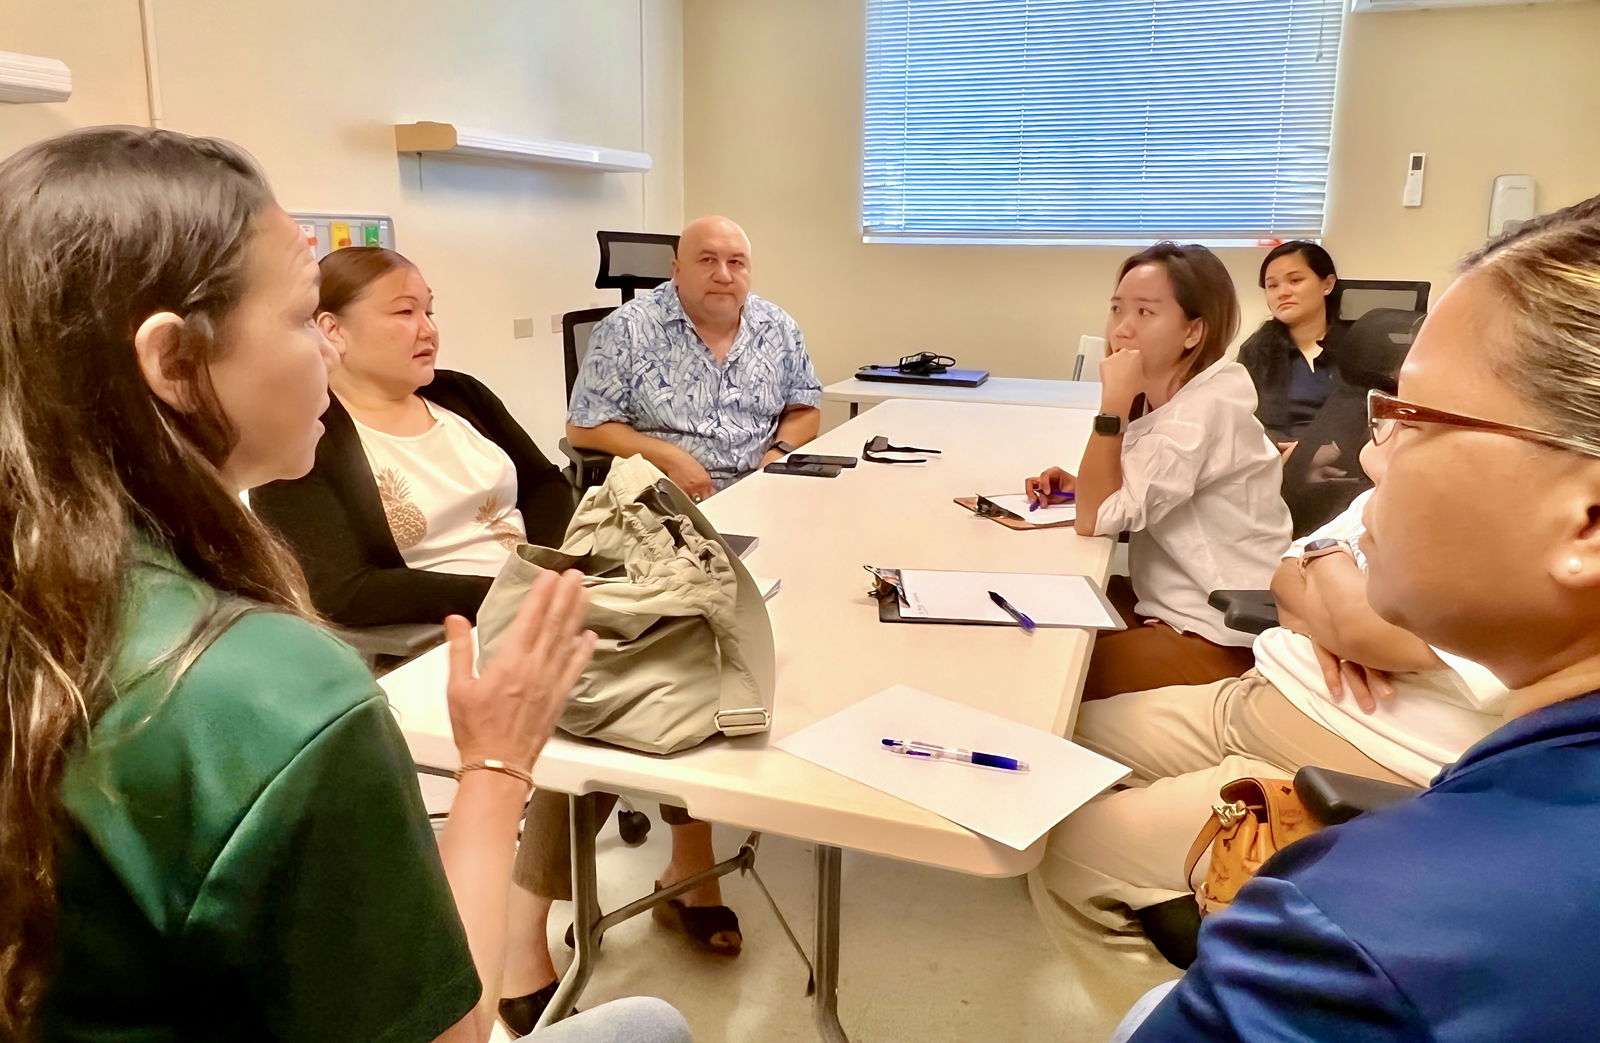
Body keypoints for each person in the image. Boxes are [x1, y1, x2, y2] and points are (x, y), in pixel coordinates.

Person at [1, 125, 688, 1043]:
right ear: (173, 362)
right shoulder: (272, 692)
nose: (323, 352)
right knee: (652, 1024)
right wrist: (495, 764)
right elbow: (450, 1030)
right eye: (300, 319)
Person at [1124, 193, 1600, 1039]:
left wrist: (1329, 590)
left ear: (1588, 521)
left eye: (1412, 418)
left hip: (1324, 729)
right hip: (1278, 683)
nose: (1369, 457)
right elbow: (1295, 561)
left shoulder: (1353, 933)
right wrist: (1323, 574)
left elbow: (1337, 602)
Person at [1029, 488, 1507, 968]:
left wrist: (1328, 572)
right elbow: (1285, 579)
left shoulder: (1519, 521)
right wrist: (1332, 611)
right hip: (1255, 696)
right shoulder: (1400, 484)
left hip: (1343, 763)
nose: (1378, 452)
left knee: (1061, 848)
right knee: (1046, 750)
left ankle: (1171, 1005)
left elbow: (1364, 630)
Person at [1024, 243, 1292, 701]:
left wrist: (1113, 406)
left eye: (1145, 312)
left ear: (1193, 332)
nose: (1122, 329)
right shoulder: (1179, 395)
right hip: (1170, 599)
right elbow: (1133, 489)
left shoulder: (1199, 414)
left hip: (1216, 632)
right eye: (1117, 309)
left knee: (1045, 674)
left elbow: (1096, 518)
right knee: (1039, 615)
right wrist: (1083, 483)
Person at [251, 247, 573, 627]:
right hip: (455, 631)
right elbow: (343, 592)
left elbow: (545, 484)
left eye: (429, 312)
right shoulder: (299, 439)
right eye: (405, 312)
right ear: (333, 330)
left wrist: (543, 571)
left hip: (549, 598)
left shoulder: (461, 394)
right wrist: (510, 596)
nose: (429, 331)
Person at [565, 215, 821, 501]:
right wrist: (670, 458)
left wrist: (777, 454)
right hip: (666, 501)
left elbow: (805, 409)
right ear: (677, 270)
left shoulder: (778, 327)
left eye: (736, 262)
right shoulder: (625, 329)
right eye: (707, 260)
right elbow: (584, 427)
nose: (723, 275)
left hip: (761, 494)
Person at [1237, 240, 1346, 451]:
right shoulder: (1255, 351)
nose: (1282, 292)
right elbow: (1241, 423)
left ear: (1327, 284)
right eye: (1272, 285)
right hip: (1275, 461)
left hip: (1350, 461)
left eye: (1295, 280)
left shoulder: (1360, 346)